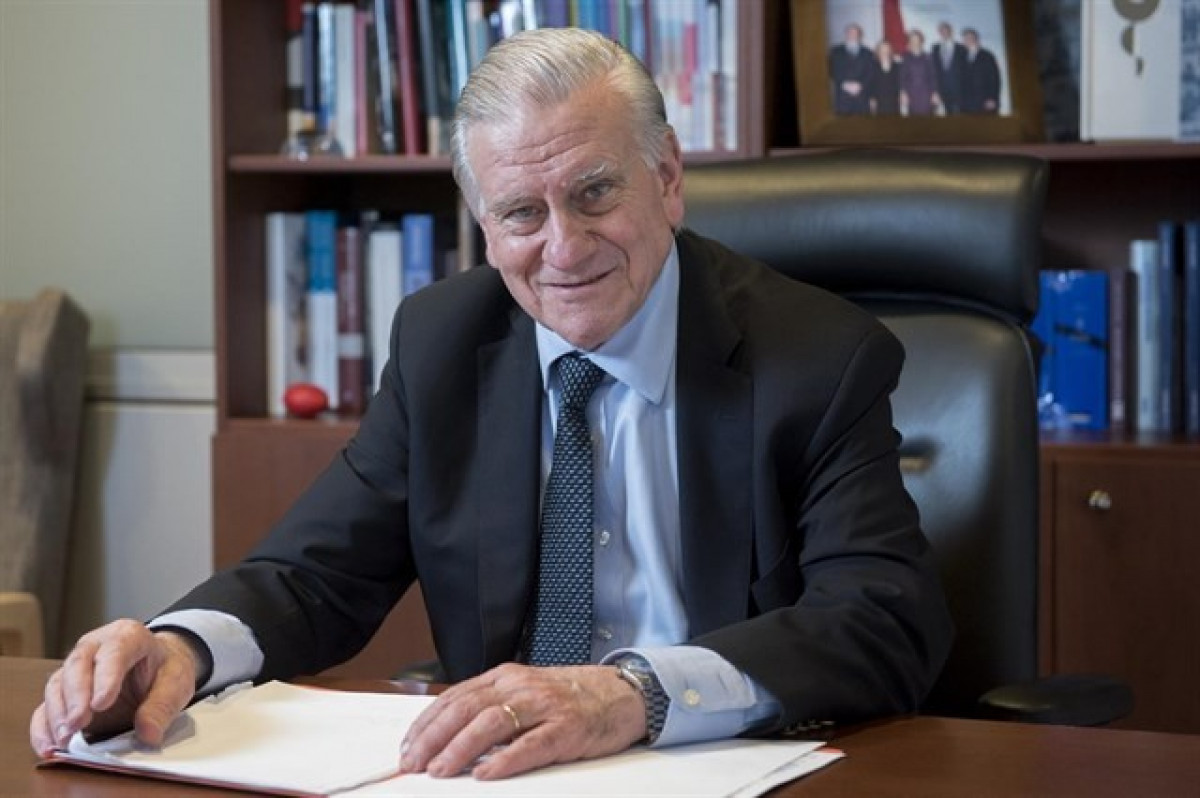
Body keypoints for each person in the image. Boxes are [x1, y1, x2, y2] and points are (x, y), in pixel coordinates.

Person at [31, 28, 953, 781]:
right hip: (505, 775)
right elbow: (316, 574)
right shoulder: (442, 342)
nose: (565, 247)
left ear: (668, 178)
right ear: (484, 226)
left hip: (718, 766)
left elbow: (882, 621)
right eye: (522, 213)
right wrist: (181, 649)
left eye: (595, 192)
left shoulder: (818, 357)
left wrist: (633, 694)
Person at [827, 23, 875, 115]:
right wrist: (844, 84)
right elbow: (831, 70)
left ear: (859, 36)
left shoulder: (868, 53)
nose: (852, 35)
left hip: (861, 97)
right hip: (842, 98)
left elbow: (870, 73)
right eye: (850, 33)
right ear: (846, 34)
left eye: (855, 33)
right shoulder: (835, 52)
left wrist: (861, 85)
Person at [960, 28, 1002, 114]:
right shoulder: (962, 57)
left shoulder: (987, 56)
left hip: (985, 102)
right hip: (966, 104)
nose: (967, 41)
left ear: (976, 39)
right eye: (965, 39)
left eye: (970, 38)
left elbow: (994, 78)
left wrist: (992, 98)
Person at [899, 29, 940, 116]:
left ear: (921, 41)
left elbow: (933, 76)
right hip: (911, 94)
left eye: (917, 40)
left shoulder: (929, 57)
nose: (915, 42)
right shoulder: (905, 58)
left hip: (926, 93)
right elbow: (902, 77)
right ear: (909, 42)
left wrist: (935, 92)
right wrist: (903, 92)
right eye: (912, 40)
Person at [931, 21, 967, 114]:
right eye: (941, 31)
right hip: (942, 89)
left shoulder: (962, 48)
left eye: (946, 30)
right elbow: (933, 69)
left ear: (951, 31)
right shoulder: (935, 48)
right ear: (939, 33)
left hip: (959, 89)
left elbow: (967, 70)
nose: (944, 33)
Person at [869, 39, 902, 115]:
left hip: (893, 102)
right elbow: (870, 84)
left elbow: (900, 83)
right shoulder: (873, 66)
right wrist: (872, 97)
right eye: (882, 50)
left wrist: (900, 93)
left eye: (887, 50)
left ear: (890, 51)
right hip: (878, 102)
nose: (885, 52)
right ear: (878, 52)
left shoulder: (897, 66)